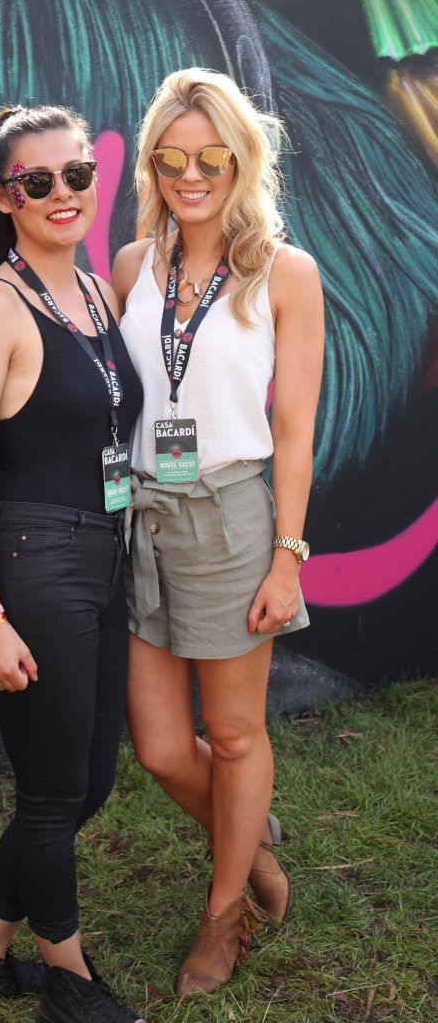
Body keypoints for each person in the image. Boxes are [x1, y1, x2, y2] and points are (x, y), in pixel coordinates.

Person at [112, 68, 324, 997]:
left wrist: (289, 554)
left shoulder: (287, 272)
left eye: (212, 158)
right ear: (152, 161)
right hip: (144, 516)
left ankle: (224, 908)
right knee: (161, 746)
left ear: (243, 161)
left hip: (235, 516)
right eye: (172, 157)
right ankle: (253, 850)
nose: (190, 175)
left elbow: (294, 431)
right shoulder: (129, 266)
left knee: (234, 736)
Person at [0, 104, 144, 1021]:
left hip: (104, 555)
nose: (63, 194)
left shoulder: (95, 293)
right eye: (38, 182)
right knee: (55, 790)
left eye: (77, 175)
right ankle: (68, 976)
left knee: (89, 779)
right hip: (35, 563)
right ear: (4, 197)